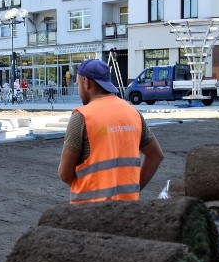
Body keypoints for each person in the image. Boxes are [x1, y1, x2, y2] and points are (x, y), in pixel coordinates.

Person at [58, 59, 164, 203]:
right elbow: (156, 156)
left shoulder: (82, 117)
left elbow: (64, 174)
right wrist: (134, 188)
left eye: (77, 84)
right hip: (127, 209)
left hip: (90, 213)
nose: (78, 89)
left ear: (86, 82)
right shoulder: (133, 113)